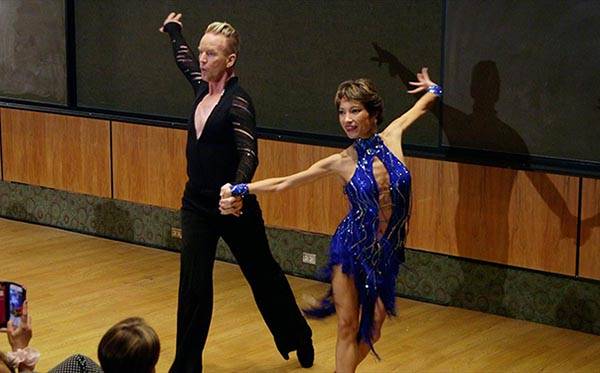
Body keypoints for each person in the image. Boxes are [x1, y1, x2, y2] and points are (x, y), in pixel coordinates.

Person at [220, 69, 441, 372]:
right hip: (350, 249)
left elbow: (426, 102)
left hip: (385, 253)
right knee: (348, 326)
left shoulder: (393, 136)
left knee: (374, 328)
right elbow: (285, 183)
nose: (347, 119)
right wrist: (240, 188)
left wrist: (433, 88)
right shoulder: (340, 161)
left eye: (355, 110)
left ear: (372, 113)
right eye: (342, 112)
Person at [159, 12, 313, 372]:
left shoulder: (238, 102)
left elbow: (249, 152)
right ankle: (185, 365)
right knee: (193, 285)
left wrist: (237, 188)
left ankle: (298, 335)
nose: (202, 58)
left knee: (263, 275)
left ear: (230, 60)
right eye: (202, 51)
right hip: (197, 203)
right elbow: (184, 60)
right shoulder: (201, 87)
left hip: (234, 206)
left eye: (212, 54)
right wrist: (174, 32)